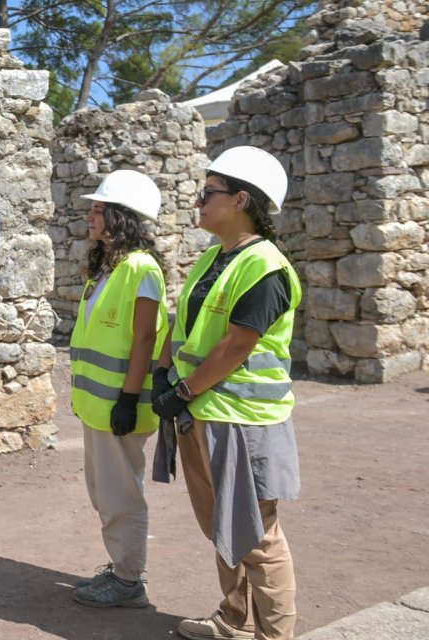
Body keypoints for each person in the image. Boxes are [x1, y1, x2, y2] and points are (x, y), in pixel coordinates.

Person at [152, 146, 302, 640]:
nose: (198, 201)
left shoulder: (264, 266)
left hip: (242, 416)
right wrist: (166, 376)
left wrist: (183, 389)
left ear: (240, 200)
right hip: (205, 409)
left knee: (257, 536)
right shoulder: (215, 258)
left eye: (207, 193)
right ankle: (234, 621)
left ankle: (274, 636)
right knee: (223, 525)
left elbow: (239, 344)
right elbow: (190, 331)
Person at [67, 170, 168, 608]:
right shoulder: (109, 266)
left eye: (98, 209)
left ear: (120, 217)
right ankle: (122, 570)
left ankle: (128, 580)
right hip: (98, 405)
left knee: (120, 494)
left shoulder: (141, 269)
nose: (89, 216)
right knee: (105, 492)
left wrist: (128, 399)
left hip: (118, 405)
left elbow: (146, 338)